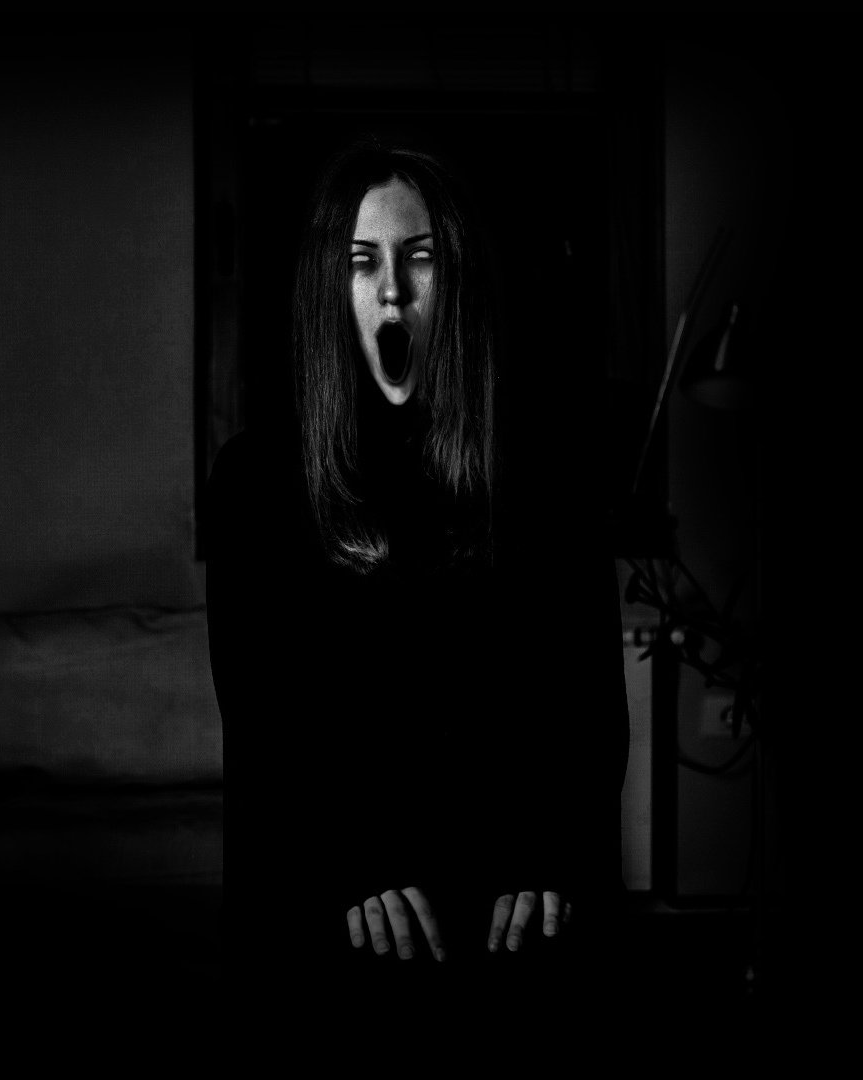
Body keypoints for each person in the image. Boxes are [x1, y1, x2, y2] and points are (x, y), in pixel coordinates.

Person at [205, 139, 630, 1039]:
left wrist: (544, 855)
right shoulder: (256, 483)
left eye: (420, 257)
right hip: (337, 895)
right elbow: (266, 721)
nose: (393, 292)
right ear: (331, 288)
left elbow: (586, 704)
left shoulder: (546, 476)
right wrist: (352, 865)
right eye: (362, 262)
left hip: (509, 895)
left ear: (458, 277)